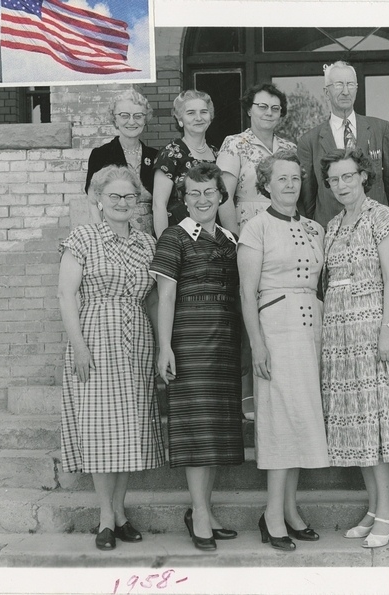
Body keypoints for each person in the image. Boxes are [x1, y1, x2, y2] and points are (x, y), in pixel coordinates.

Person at [58, 165, 165, 551]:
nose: (122, 203)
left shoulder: (147, 244)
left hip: (136, 339)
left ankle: (120, 513)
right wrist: (80, 346)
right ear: (99, 201)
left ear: (138, 203)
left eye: (130, 197)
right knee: (102, 430)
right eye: (114, 196)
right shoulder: (83, 238)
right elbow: (66, 295)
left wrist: (160, 346)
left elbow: (151, 299)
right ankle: (105, 517)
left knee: (128, 430)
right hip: (95, 337)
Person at [237, 150, 329, 551]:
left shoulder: (314, 228)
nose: (290, 185)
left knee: (301, 418)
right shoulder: (255, 227)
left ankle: (290, 511)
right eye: (281, 179)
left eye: (295, 178)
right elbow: (246, 291)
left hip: (312, 329)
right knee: (279, 419)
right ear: (266, 184)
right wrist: (257, 343)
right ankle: (272, 515)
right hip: (276, 328)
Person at [149, 163, 243, 552]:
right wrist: (165, 345)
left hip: (224, 341)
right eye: (194, 194)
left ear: (221, 196)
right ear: (183, 200)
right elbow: (165, 296)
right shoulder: (174, 237)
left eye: (209, 193)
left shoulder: (230, 239)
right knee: (195, 428)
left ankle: (205, 509)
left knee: (216, 430)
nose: (202, 200)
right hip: (189, 339)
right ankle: (199, 513)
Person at [319, 148, 389, 549]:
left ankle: (388, 513)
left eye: (348, 176)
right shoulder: (333, 224)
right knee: (354, 421)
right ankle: (375, 507)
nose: (342, 185)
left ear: (363, 177)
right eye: (334, 179)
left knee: (375, 420)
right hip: (339, 334)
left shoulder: (381, 217)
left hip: (372, 325)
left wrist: (388, 329)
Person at [297, 61, 389, 229]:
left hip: (376, 226)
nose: (345, 91)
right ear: (326, 92)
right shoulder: (309, 141)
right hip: (330, 229)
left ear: (356, 89)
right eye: (338, 85)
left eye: (350, 84)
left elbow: (388, 183)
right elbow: (308, 197)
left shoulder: (380, 129)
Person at [216, 83, 296, 234]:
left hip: (286, 227)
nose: (269, 113)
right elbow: (224, 197)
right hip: (249, 230)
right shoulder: (234, 144)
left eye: (275, 108)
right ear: (249, 110)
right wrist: (234, 240)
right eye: (262, 106)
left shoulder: (290, 149)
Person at [84, 89, 158, 235]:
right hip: (113, 231)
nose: (131, 121)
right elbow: (93, 202)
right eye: (124, 116)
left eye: (138, 116)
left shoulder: (156, 156)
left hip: (150, 234)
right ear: (115, 120)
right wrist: (102, 237)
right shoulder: (101, 155)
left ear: (145, 119)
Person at [153, 90, 219, 238]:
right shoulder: (171, 154)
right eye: (190, 113)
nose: (198, 118)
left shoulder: (217, 153)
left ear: (210, 117)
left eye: (204, 112)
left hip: (213, 234)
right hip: (180, 236)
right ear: (180, 119)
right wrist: (165, 244)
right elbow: (159, 205)